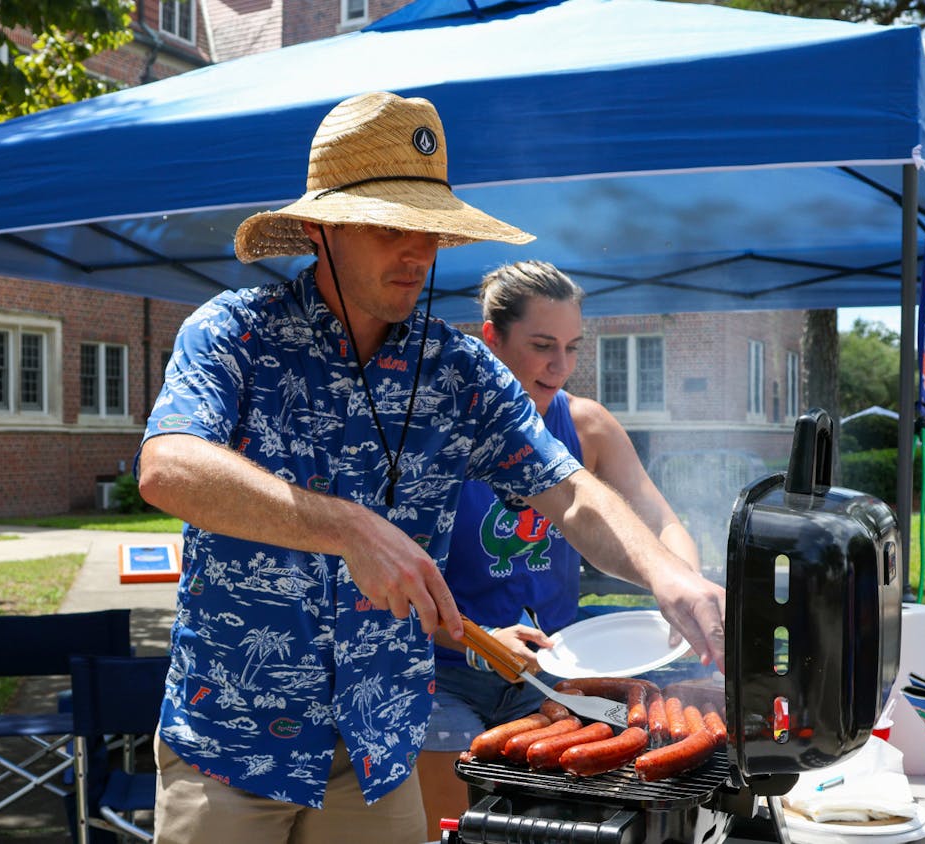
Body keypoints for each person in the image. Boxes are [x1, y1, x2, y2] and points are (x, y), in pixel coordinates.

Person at [135, 92, 725, 844]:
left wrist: (669, 576)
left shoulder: (457, 368)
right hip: (232, 747)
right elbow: (168, 467)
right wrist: (348, 527)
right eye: (388, 227)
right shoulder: (233, 333)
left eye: (429, 229)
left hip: (379, 750)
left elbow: (570, 492)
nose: (415, 251)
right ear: (321, 228)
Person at [417, 260, 704, 828]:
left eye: (573, 347)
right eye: (543, 345)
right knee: (459, 829)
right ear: (491, 339)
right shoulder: (434, 430)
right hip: (442, 670)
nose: (561, 366)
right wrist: (480, 639)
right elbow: (393, 571)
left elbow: (660, 525)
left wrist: (684, 587)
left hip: (553, 673)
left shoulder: (588, 425)